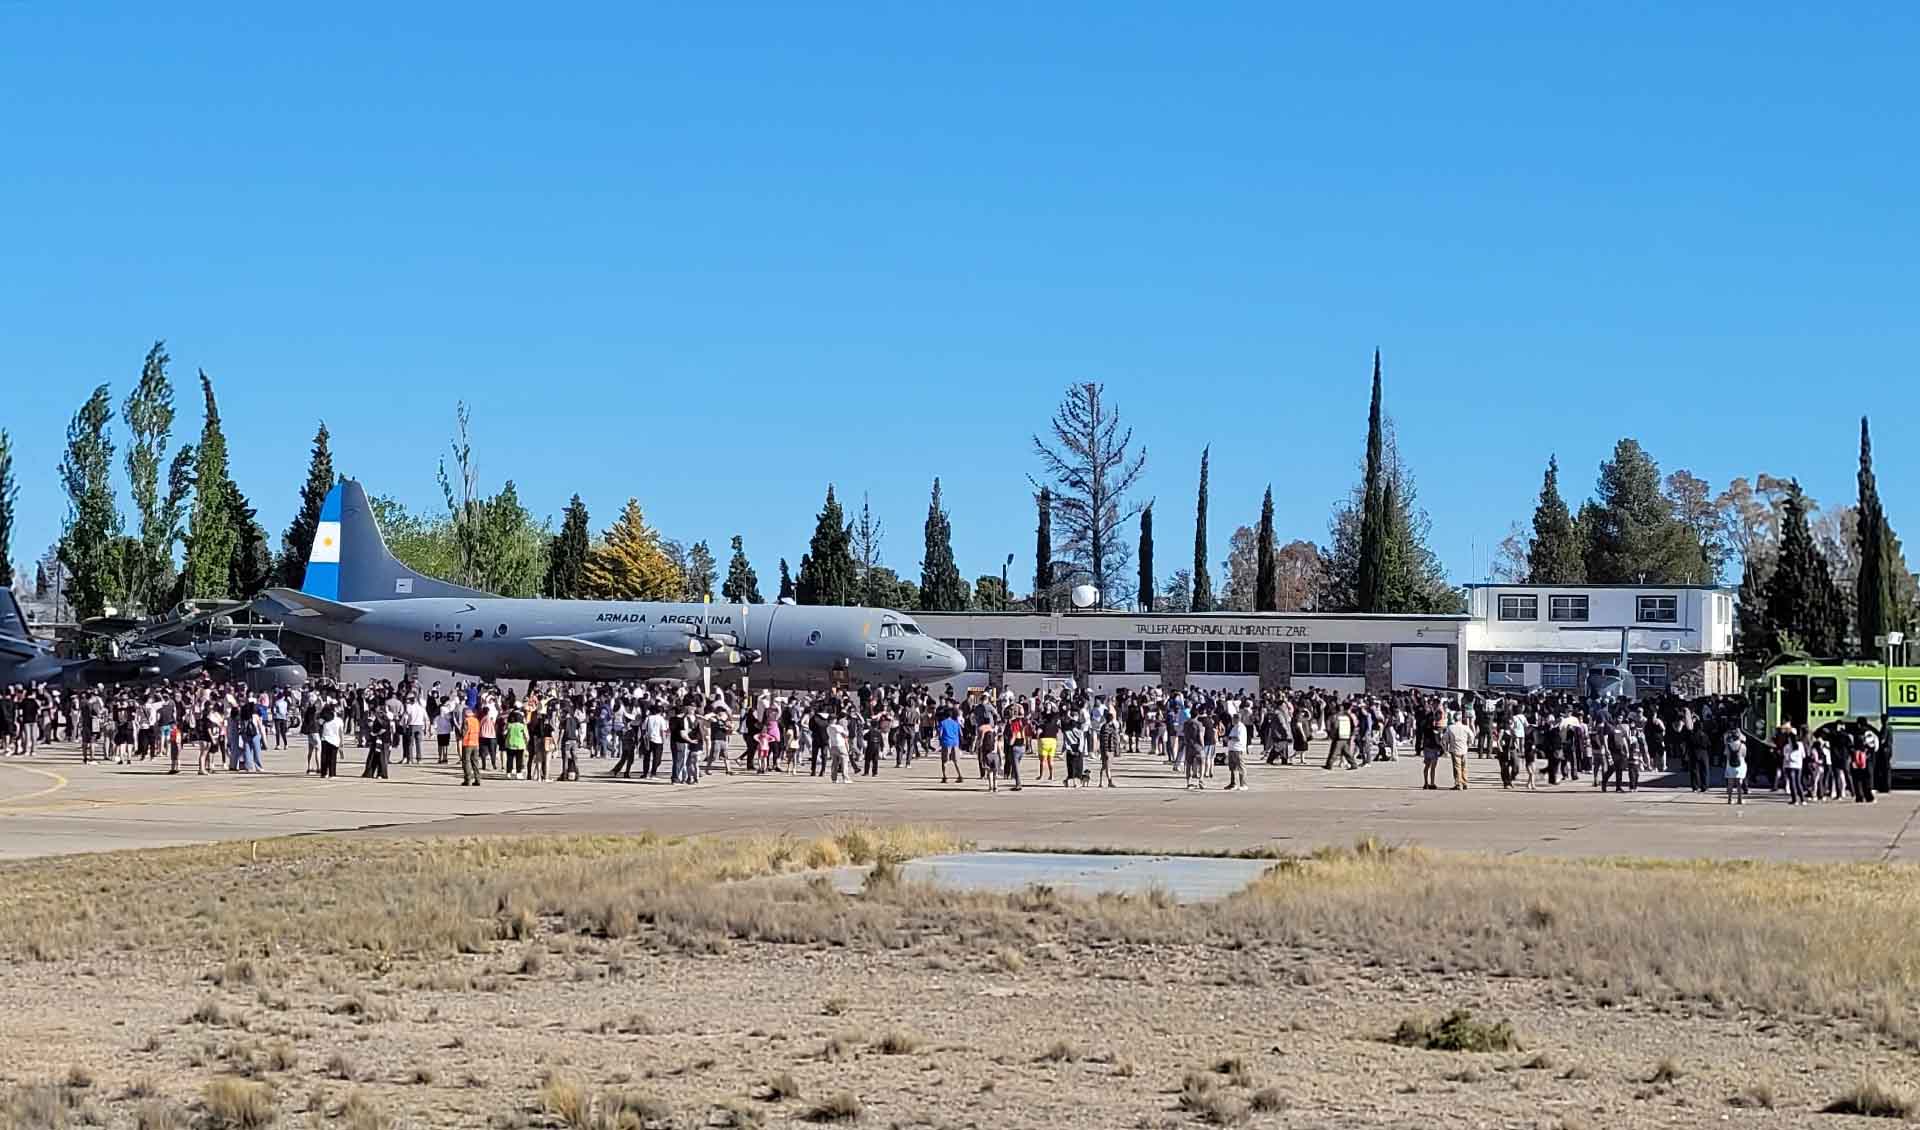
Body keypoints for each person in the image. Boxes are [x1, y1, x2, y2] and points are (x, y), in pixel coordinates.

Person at [1442, 710, 1472, 791]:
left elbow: (1444, 739)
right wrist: (1469, 744)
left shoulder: (1450, 728)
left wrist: (1446, 748)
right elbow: (1471, 737)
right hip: (1464, 749)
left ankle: (1458, 784)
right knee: (1464, 767)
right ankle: (1465, 783)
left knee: (1457, 767)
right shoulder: (1466, 727)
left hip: (1454, 749)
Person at [936, 708, 963, 784]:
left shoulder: (942, 723)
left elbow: (940, 733)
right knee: (956, 761)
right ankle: (960, 775)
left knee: (944, 761)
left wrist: (940, 740)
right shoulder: (955, 723)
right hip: (955, 743)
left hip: (946, 743)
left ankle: (945, 777)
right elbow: (960, 733)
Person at [1723, 726, 1747, 804]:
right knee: (1739, 783)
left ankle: (1729, 799)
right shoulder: (1742, 746)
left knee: (1730, 783)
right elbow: (1744, 755)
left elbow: (1726, 754)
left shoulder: (1728, 745)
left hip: (1730, 765)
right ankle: (1739, 799)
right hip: (1740, 765)